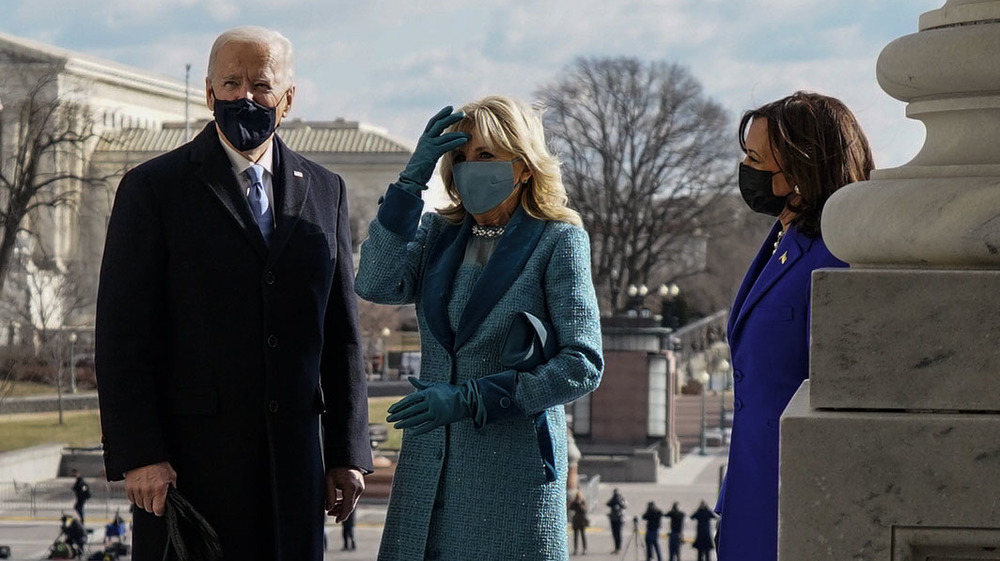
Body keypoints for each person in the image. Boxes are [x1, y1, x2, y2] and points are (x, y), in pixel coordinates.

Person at [95, 26, 373, 561]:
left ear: (287, 99)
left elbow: (342, 336)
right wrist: (140, 455)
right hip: (188, 474)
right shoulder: (153, 189)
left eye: (261, 84)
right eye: (231, 82)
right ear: (209, 93)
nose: (245, 96)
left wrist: (348, 452)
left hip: (292, 473)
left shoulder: (325, 190)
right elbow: (122, 337)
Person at [355, 96, 604, 560]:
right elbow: (373, 282)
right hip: (427, 468)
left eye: (486, 156)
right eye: (460, 157)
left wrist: (474, 398)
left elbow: (583, 364)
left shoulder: (558, 240)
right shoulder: (437, 233)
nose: (470, 168)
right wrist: (410, 183)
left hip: (510, 476)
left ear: (524, 165)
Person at [715, 91, 874, 561]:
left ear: (803, 168)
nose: (745, 166)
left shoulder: (842, 257)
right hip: (751, 496)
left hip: (800, 507)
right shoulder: (786, 234)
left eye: (756, 157)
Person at [607, 488, 628, 553]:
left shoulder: (622, 499)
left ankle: (618, 547)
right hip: (613, 519)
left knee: (618, 534)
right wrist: (614, 500)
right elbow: (608, 504)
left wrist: (618, 501)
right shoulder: (613, 500)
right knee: (614, 534)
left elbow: (624, 506)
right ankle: (616, 547)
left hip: (619, 519)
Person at [569, 490, 589, 555]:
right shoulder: (574, 503)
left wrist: (580, 504)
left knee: (583, 535)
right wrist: (574, 502)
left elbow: (584, 510)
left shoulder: (582, 502)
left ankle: (584, 548)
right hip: (576, 521)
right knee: (575, 536)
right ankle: (575, 549)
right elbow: (570, 508)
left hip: (582, 521)